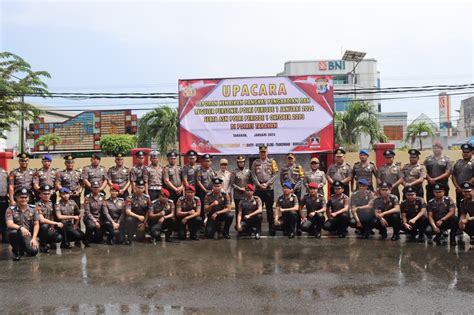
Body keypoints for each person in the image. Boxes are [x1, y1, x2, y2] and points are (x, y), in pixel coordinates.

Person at [5, 188, 39, 261]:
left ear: (29, 198)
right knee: (13, 232)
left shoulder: (33, 209)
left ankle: (22, 247)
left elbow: (36, 224)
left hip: (27, 235)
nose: (24, 199)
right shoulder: (10, 209)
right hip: (15, 233)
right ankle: (16, 252)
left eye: (25, 197)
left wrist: (34, 238)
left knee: (33, 252)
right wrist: (21, 228)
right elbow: (9, 224)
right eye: (21, 197)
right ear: (16, 198)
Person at [251, 145, 279, 236]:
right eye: (261, 152)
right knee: (258, 209)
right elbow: (253, 174)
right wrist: (259, 184)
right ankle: (258, 230)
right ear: (259, 153)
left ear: (267, 152)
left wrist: (267, 184)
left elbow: (275, 174)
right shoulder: (255, 162)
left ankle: (271, 229)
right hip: (258, 189)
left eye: (264, 152)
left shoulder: (272, 162)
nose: (263, 154)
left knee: (269, 209)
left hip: (269, 189)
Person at [36, 185, 63, 253]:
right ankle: (42, 244)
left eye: (48, 194)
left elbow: (51, 216)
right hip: (39, 228)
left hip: (48, 226)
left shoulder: (50, 203)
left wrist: (52, 226)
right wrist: (55, 223)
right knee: (44, 226)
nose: (47, 195)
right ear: (40, 195)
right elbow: (42, 220)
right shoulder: (38, 205)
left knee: (59, 237)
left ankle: (49, 241)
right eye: (44, 194)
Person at [124, 179, 151, 244]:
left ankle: (141, 233)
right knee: (129, 219)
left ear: (144, 188)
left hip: (141, 220)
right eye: (138, 187)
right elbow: (127, 211)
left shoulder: (147, 198)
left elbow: (148, 211)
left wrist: (144, 223)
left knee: (140, 238)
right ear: (135, 187)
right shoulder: (130, 197)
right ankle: (129, 238)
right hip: (133, 218)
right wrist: (138, 216)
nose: (140, 189)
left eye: (142, 188)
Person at [83, 181, 107, 245]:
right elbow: (87, 212)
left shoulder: (102, 196)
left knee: (99, 239)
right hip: (89, 218)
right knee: (91, 226)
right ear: (91, 188)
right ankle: (86, 239)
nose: (96, 189)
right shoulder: (87, 198)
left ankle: (93, 237)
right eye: (94, 187)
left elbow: (104, 210)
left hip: (99, 218)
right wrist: (95, 221)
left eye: (97, 187)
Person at [452, 143, 473, 209]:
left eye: (467, 152)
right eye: (464, 152)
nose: (465, 153)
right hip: (459, 190)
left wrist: (466, 186)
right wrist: (457, 187)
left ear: (472, 152)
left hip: (471, 190)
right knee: (460, 208)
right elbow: (453, 175)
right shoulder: (458, 163)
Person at [0, 166, 9, 243]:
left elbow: (9, 185)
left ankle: (4, 236)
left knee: (3, 218)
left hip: (3, 199)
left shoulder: (4, 172)